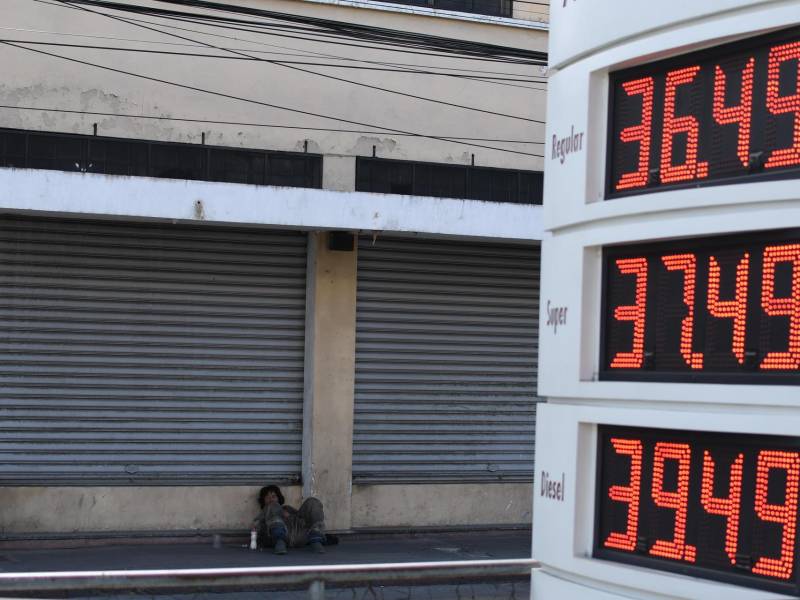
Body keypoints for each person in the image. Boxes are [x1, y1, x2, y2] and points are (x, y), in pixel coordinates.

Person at [253, 485, 329, 555]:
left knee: (312, 501)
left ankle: (316, 540)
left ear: (279, 498)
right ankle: (280, 542)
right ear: (263, 500)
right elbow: (257, 527)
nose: (271, 499)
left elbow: (301, 517)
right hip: (279, 539)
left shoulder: (287, 508)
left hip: (300, 535)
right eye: (267, 497)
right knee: (273, 505)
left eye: (274, 496)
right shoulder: (265, 512)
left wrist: (288, 515)